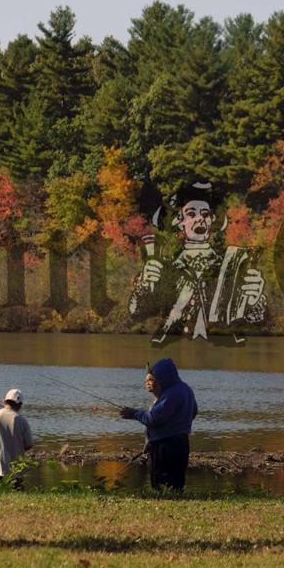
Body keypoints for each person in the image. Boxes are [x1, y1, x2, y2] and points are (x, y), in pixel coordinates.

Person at [128, 181, 267, 343]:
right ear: (180, 222)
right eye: (192, 214)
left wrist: (255, 300)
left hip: (222, 351)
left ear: (211, 221)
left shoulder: (229, 268)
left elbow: (256, 318)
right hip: (176, 349)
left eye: (205, 214)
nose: (200, 219)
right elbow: (136, 312)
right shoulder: (164, 268)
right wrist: (143, 287)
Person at [119, 358, 197, 491]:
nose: (147, 383)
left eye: (152, 380)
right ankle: (175, 501)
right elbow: (194, 411)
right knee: (176, 483)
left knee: (161, 483)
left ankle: (164, 503)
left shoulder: (171, 394)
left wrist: (134, 413)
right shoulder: (184, 389)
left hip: (165, 447)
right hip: (182, 443)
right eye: (146, 380)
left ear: (163, 379)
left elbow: (153, 419)